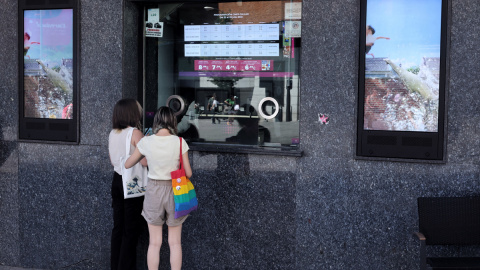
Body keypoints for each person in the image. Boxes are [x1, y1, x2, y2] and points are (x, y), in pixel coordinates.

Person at [125, 106, 192, 270]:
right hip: (175, 191)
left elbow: (128, 164)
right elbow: (188, 173)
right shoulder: (179, 142)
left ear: (156, 121)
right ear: (173, 122)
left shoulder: (146, 142)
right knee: (175, 243)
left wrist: (141, 148)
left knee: (154, 243)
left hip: (153, 191)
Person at [108, 98, 148, 270]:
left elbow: (112, 161)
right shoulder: (135, 133)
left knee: (118, 227)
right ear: (133, 113)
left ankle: (115, 266)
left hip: (117, 180)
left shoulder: (113, 133)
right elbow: (145, 161)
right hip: (132, 184)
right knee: (130, 230)